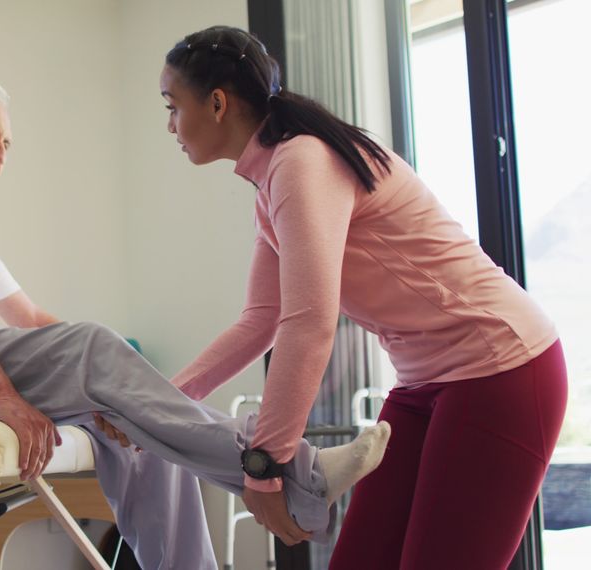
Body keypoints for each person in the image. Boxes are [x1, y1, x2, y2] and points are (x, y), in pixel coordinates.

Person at [0, 76, 390, 569]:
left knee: (134, 428)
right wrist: (4, 398)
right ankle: (292, 473)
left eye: (7, 143)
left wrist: (117, 389)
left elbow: (35, 321)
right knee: (93, 350)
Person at [150, 25, 567, 569]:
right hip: (424, 383)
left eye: (173, 106)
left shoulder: (302, 162)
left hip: (500, 367)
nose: (171, 126)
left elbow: (309, 323)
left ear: (218, 103)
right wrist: (156, 405)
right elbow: (259, 322)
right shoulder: (274, 182)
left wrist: (267, 466)